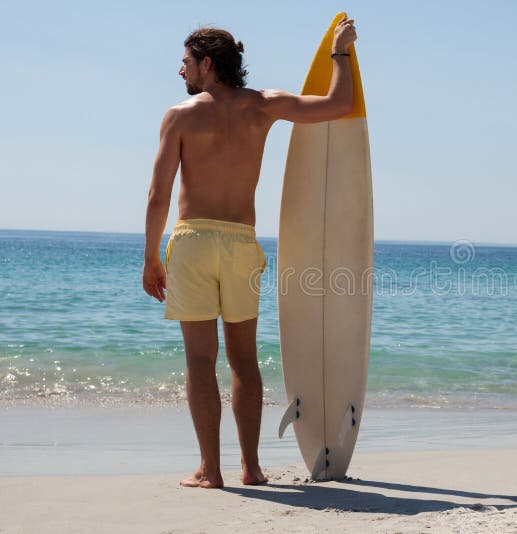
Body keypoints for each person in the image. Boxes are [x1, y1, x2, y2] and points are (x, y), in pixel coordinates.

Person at [141, 18, 357, 489]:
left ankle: (209, 470)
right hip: (240, 242)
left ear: (207, 63)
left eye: (185, 63)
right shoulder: (263, 105)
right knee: (244, 360)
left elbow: (158, 196)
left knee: (200, 361)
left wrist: (151, 257)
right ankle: (251, 468)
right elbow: (341, 104)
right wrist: (340, 52)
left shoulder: (179, 115)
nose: (180, 72)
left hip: (194, 241)